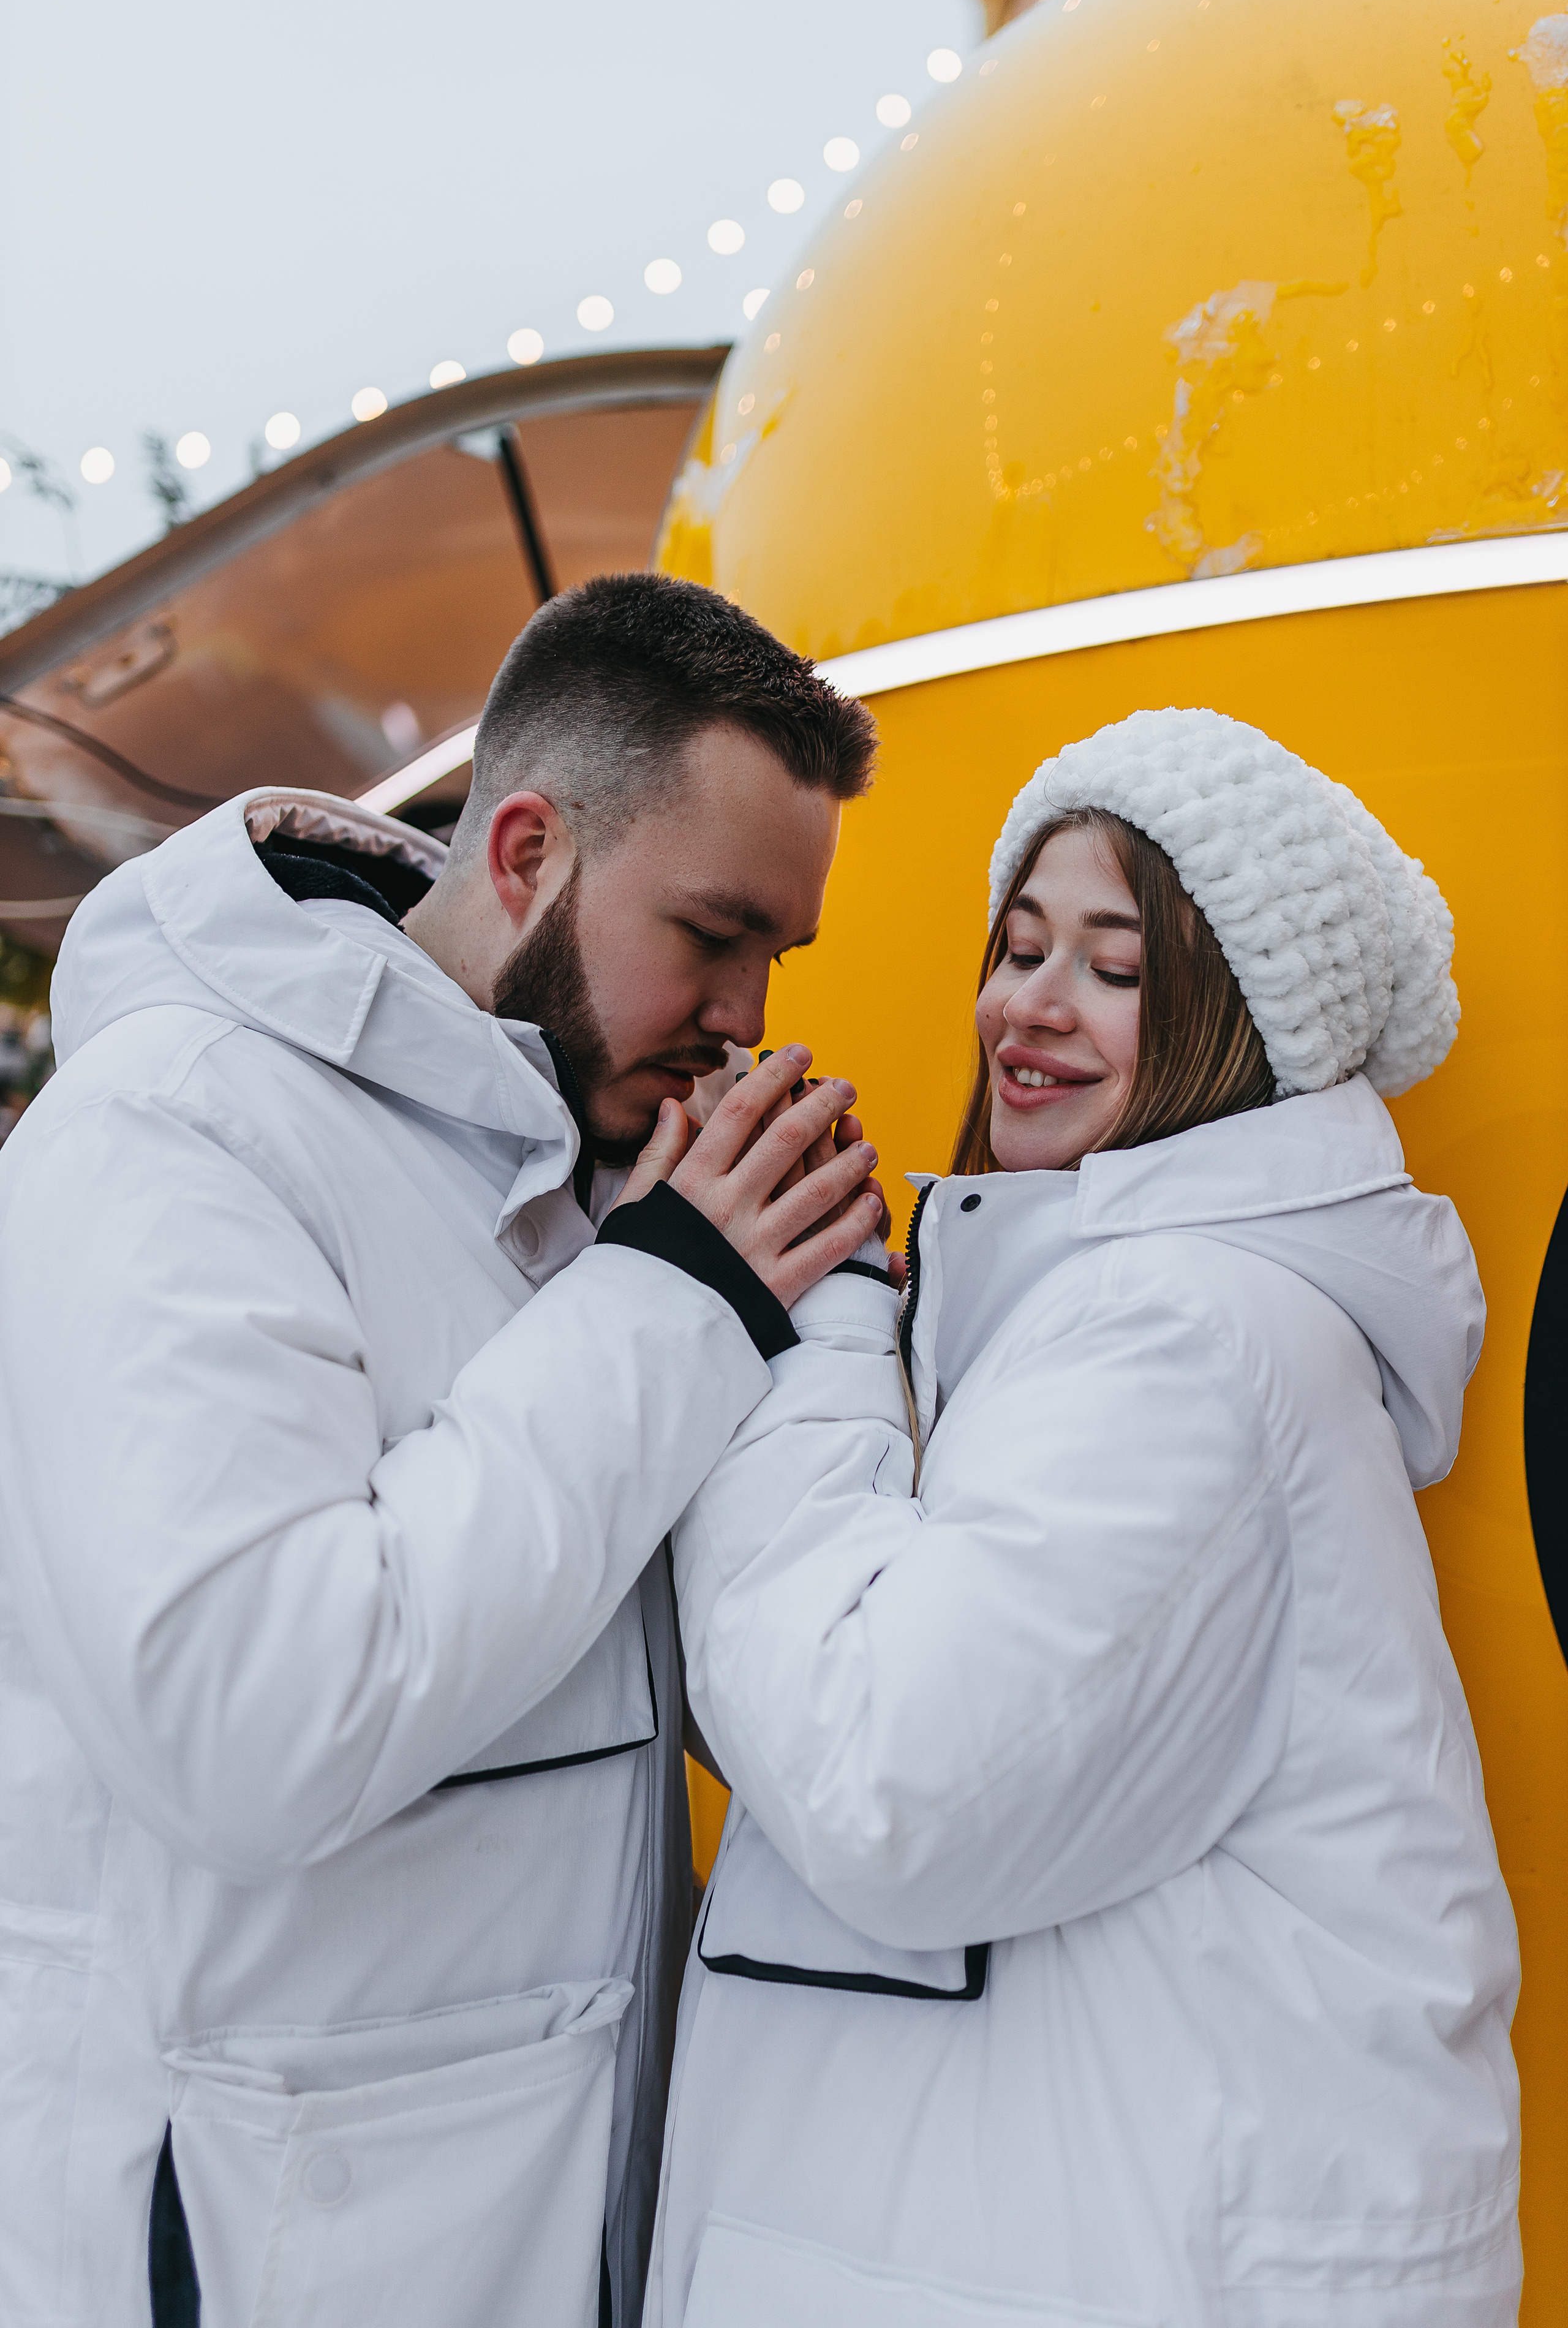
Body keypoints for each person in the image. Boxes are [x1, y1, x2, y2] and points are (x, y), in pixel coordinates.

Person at [0, 573, 888, 2328]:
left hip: (528, 2213)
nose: (746, 1009)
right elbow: (253, 1717)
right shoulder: (175, 1127)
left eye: (777, 957)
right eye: (713, 934)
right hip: (258, 2236)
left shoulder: (570, 1160)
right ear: (529, 850)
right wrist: (682, 1299)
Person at [643, 709, 1522, 2328]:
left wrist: (810, 1314)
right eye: (1021, 944)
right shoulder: (1113, 1317)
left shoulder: (1178, 1344)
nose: (1029, 1009)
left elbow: (887, 1784)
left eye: (1116, 969)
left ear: (1229, 1028)